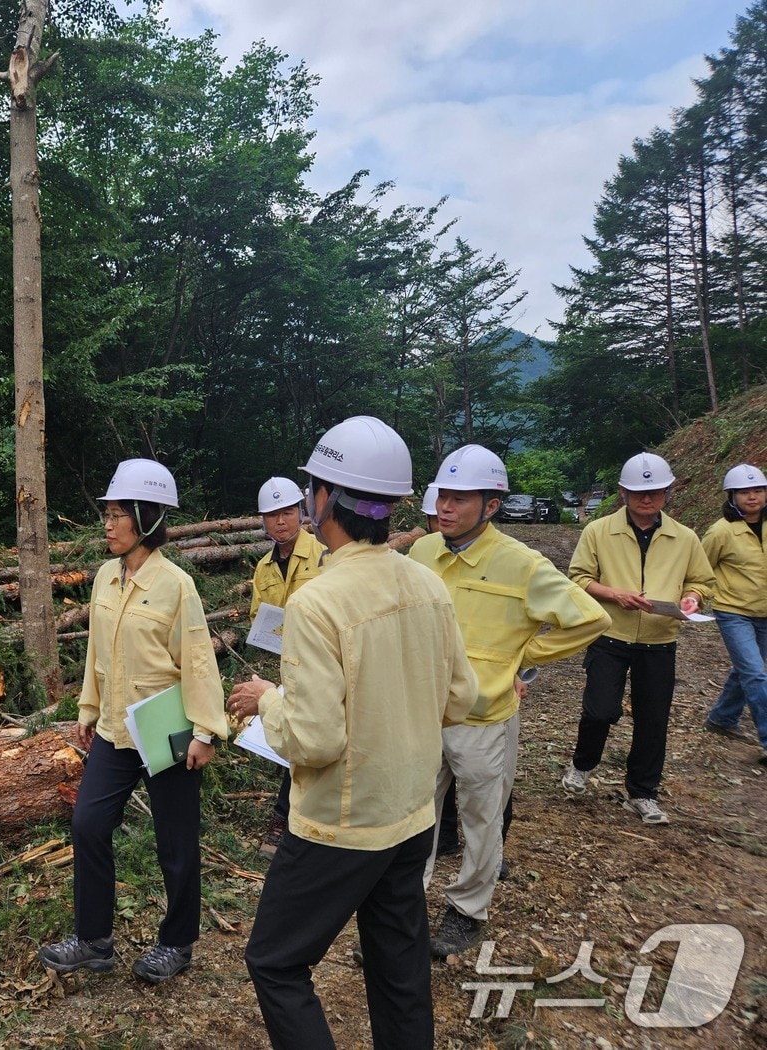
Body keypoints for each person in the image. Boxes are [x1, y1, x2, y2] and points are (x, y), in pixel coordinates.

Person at [228, 416, 478, 1049]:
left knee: (276, 962)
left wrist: (267, 700)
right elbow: (462, 698)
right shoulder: (426, 583)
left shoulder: (320, 600)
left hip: (341, 823)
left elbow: (314, 740)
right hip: (411, 814)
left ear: (323, 500)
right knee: (399, 967)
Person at [409, 445, 610, 958]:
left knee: (482, 818)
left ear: (492, 505)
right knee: (414, 815)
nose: (445, 507)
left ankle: (467, 910)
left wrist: (523, 656)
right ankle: (403, 910)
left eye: (459, 498)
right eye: (442, 496)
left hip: (483, 719)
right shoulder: (421, 554)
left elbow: (591, 618)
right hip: (422, 713)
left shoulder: (522, 564)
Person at [38, 458, 228, 984]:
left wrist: (206, 732)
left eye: (117, 514)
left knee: (175, 842)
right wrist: (88, 708)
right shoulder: (105, 576)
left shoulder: (176, 585)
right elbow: (98, 650)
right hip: (115, 729)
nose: (107, 523)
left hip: (167, 727)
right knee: (88, 823)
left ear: (146, 518)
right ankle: (94, 940)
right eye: (107, 513)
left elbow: (197, 661)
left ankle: (177, 943)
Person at [561, 452, 715, 824]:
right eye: (638, 492)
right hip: (609, 633)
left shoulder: (684, 537)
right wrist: (614, 594)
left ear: (668, 493)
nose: (647, 499)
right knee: (599, 710)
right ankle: (582, 764)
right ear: (623, 493)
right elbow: (578, 578)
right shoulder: (599, 531)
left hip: (659, 640)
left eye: (655, 492)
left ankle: (642, 793)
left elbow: (701, 581)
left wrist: (692, 599)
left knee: (653, 719)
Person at [246, 476, 326, 859]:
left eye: (288, 512)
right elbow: (258, 617)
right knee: (294, 738)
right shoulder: (263, 568)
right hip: (287, 667)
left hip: (323, 665)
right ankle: (293, 818)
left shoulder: (324, 555)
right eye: (273, 515)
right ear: (263, 520)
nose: (281, 521)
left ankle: (284, 818)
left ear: (301, 512)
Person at [701, 463, 767, 765]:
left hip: (764, 611)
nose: (752, 497)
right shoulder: (721, 531)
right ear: (732, 496)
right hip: (733, 611)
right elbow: (701, 568)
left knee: (747, 670)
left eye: (758, 490)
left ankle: (722, 718)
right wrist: (695, 598)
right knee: (755, 673)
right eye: (744, 492)